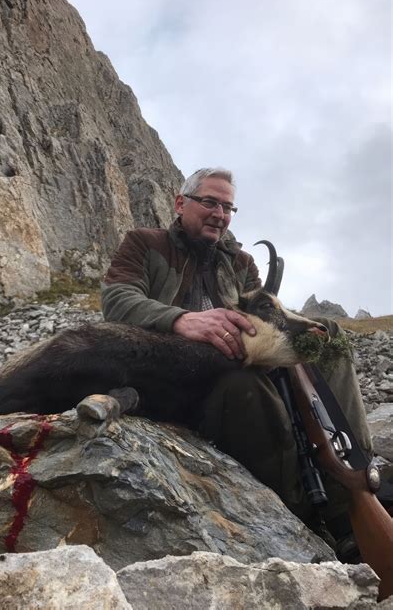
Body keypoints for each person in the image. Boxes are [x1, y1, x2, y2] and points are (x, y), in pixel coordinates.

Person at [101, 167, 373, 555]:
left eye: (228, 207)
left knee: (326, 335)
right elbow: (116, 301)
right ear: (181, 203)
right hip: (180, 378)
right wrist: (180, 319)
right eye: (209, 202)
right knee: (244, 388)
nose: (219, 214)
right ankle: (300, 510)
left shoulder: (241, 262)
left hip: (242, 363)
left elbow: (263, 317)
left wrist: (299, 332)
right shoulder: (144, 244)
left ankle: (357, 475)